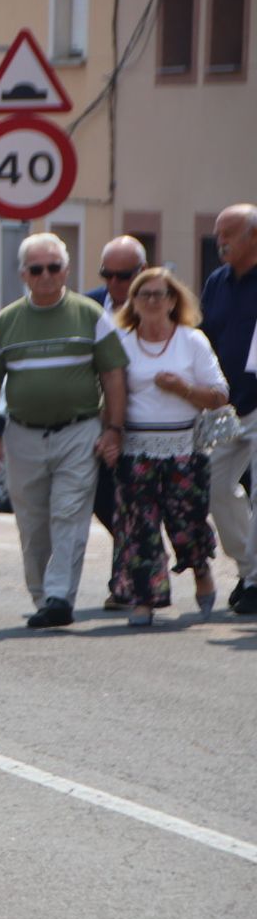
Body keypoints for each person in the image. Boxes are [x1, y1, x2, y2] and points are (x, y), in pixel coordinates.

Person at [0, 233, 128, 629]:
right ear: (25, 274)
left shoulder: (90, 315)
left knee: (69, 513)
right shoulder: (6, 321)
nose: (46, 276)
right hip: (23, 434)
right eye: (37, 269)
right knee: (32, 523)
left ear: (66, 270)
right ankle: (43, 594)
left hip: (78, 431)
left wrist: (113, 428)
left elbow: (113, 375)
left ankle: (61, 596)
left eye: (54, 267)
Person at [110, 268, 226, 626]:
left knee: (186, 522)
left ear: (173, 301)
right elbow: (111, 394)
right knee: (139, 527)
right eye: (143, 295)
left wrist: (183, 390)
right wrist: (110, 433)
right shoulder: (123, 342)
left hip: (184, 450)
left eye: (159, 294)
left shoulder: (192, 341)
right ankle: (145, 598)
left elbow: (220, 395)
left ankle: (201, 571)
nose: (151, 301)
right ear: (134, 303)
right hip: (136, 449)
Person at [84, 235, 149, 604]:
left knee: (133, 501)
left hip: (144, 420)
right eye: (107, 274)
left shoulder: (158, 304)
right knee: (101, 497)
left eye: (123, 276)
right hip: (99, 419)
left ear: (141, 272)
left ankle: (124, 582)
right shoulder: (89, 305)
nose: (114, 284)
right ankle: (136, 554)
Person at [201, 204, 257, 615]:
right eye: (218, 233)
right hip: (227, 408)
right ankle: (251, 568)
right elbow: (206, 339)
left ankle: (254, 582)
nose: (220, 241)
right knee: (217, 489)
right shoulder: (217, 281)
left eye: (229, 234)